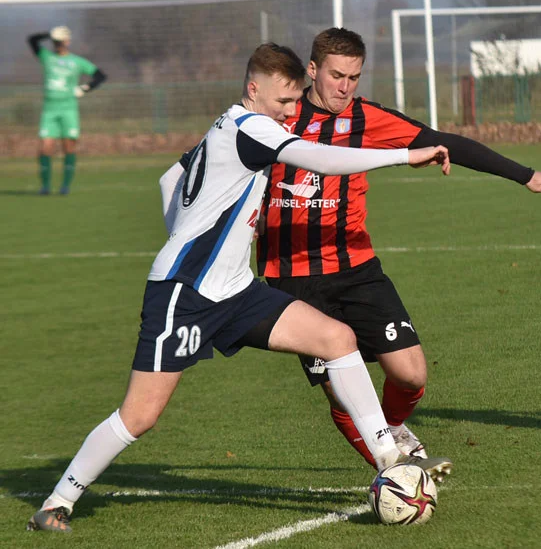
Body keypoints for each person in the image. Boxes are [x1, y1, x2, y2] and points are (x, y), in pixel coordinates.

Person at [27, 43, 452, 534]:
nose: (292, 112)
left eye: (296, 103)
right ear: (253, 90)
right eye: (283, 102)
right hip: (184, 294)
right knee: (139, 416)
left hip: (236, 290)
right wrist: (403, 156)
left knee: (337, 338)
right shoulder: (252, 128)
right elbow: (317, 157)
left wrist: (186, 227)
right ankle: (57, 502)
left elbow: (171, 179)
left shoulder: (228, 125)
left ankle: (388, 459)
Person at [256, 28, 541, 471]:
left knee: (411, 374)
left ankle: (391, 428)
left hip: (357, 267)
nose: (345, 87)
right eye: (336, 75)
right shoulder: (272, 118)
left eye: (354, 77)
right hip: (293, 279)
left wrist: (524, 174)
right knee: (343, 389)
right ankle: (399, 473)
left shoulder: (366, 119)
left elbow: (443, 141)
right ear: (312, 70)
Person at [28, 26, 107, 195]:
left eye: (60, 41)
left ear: (67, 42)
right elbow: (32, 40)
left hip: (69, 109)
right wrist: (49, 34)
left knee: (68, 147)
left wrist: (85, 88)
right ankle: (45, 186)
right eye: (55, 41)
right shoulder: (47, 57)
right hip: (49, 110)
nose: (57, 44)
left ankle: (65, 186)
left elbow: (100, 76)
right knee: (45, 147)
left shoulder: (77, 61)